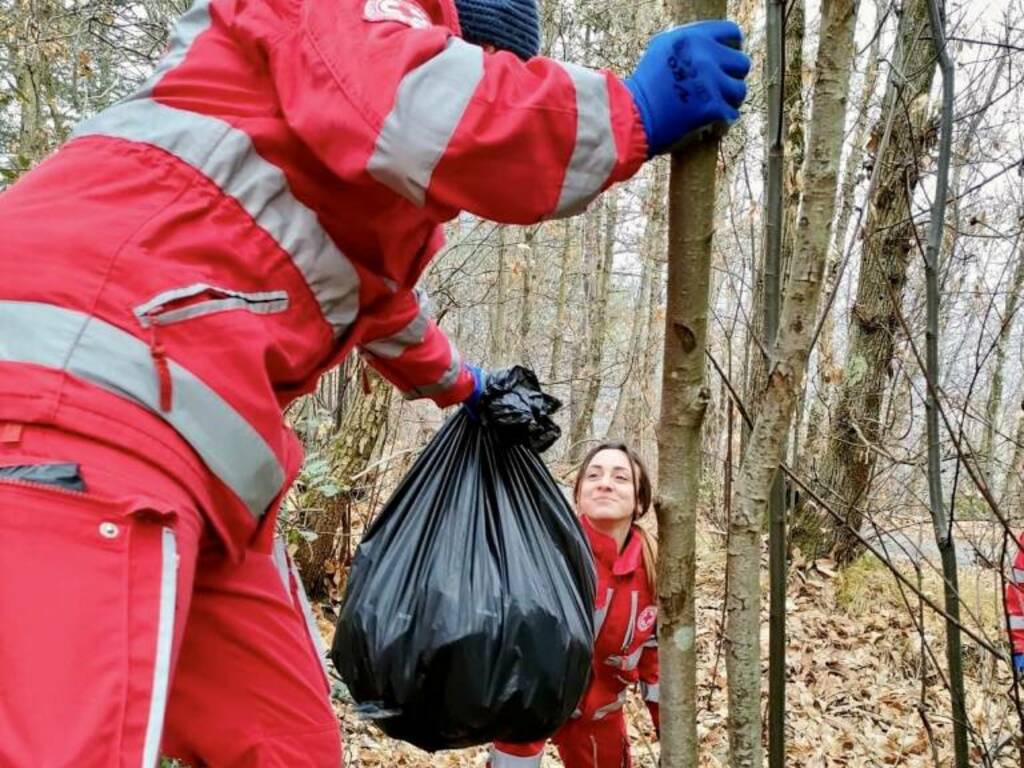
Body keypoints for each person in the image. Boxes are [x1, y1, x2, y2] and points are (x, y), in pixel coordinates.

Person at [0, 0, 748, 761]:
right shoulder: (351, 31)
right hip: (75, 396)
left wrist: (468, 386)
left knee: (288, 743)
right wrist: (630, 111)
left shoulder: (353, 186)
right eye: (482, 67)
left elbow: (375, 303)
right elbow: (431, 112)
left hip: (204, 469)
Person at [491, 441, 659, 767]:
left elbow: (656, 663)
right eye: (593, 475)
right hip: (528, 705)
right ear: (578, 496)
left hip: (600, 717)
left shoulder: (653, 569)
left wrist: (673, 735)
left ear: (640, 502)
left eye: (621, 477)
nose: (605, 482)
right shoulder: (545, 549)